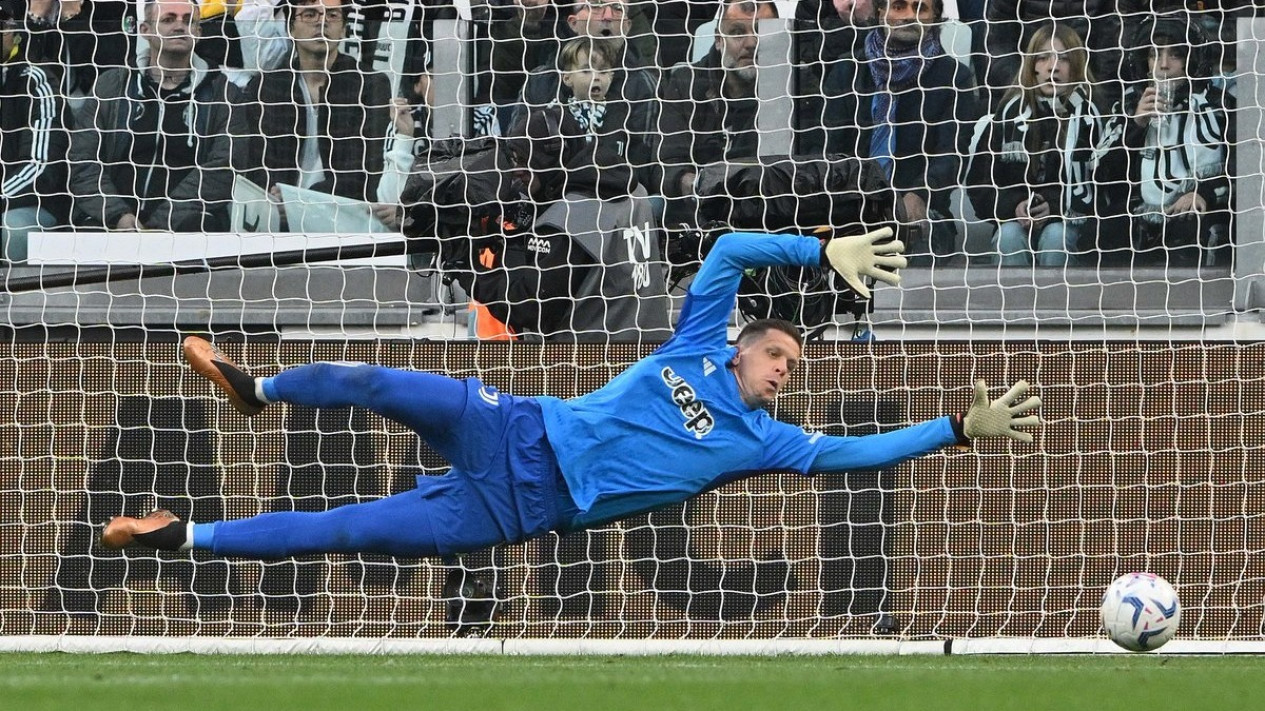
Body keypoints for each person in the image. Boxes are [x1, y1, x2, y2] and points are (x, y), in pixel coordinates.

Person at [99, 227, 1042, 558]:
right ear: (742, 345)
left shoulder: (767, 441)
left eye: (792, 367)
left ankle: (183, 534)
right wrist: (818, 250)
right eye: (776, 355)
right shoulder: (693, 344)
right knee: (373, 380)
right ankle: (258, 387)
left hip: (516, 507)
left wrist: (956, 427)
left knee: (346, 528)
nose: (785, 370)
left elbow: (856, 454)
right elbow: (723, 252)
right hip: (512, 425)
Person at [462, 104, 671, 342]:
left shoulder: (573, 216)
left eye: (524, 160)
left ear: (550, 158)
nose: (517, 171)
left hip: (587, 357)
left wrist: (468, 269)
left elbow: (530, 308)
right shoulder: (635, 193)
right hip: (649, 347)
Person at [821, 0, 981, 263]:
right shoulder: (847, 70)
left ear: (935, 17)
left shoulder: (954, 78)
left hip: (924, 209)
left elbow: (952, 154)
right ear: (880, 12)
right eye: (899, 6)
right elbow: (830, 148)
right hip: (850, 205)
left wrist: (919, 194)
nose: (909, 16)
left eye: (921, 9)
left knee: (920, 238)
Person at [67, 0, 235, 232]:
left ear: (198, 32)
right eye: (168, 19)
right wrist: (118, 215)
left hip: (186, 223)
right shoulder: (111, 86)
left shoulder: (223, 93)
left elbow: (224, 169)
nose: (180, 26)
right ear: (145, 30)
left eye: (188, 21)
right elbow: (83, 161)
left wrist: (161, 223)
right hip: (111, 220)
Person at [966, 23, 1123, 267]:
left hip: (1073, 224)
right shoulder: (1006, 115)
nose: (1053, 66)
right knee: (1008, 237)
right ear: (1032, 66)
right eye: (1043, 58)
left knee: (1055, 237)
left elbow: (1106, 189)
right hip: (1015, 220)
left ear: (1077, 65)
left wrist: (1054, 206)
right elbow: (980, 185)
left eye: (1064, 58)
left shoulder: (1095, 117)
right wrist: (1015, 206)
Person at [228, 0, 391, 215]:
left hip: (342, 214)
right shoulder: (266, 88)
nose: (322, 22)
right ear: (291, 28)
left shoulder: (370, 85)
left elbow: (365, 171)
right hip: (277, 215)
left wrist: (298, 199)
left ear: (344, 29)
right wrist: (276, 198)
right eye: (310, 14)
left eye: (332, 15)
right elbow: (256, 164)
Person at [1120, 14, 1231, 268]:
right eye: (1154, 54)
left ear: (1191, 61)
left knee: (1189, 224)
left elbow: (1244, 169)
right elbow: (1103, 175)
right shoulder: (1127, 107)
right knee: (1108, 230)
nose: (1163, 65)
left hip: (1203, 209)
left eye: (1175, 55)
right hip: (1141, 213)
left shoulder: (1220, 105)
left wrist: (1201, 192)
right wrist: (1136, 125)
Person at [652, 0, 778, 202]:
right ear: (719, 40)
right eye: (737, 32)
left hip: (771, 204)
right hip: (700, 207)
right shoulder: (686, 83)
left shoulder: (797, 87)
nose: (751, 43)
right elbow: (666, 164)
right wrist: (700, 185)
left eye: (761, 31)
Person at [0, 0, 68, 262]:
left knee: (12, 231)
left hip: (28, 204)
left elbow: (39, 167)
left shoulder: (36, 81)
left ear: (14, 32)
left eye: (3, 25)